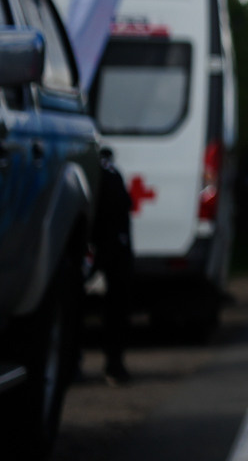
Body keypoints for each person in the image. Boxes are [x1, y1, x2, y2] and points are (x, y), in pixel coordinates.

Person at [93, 146, 134, 384]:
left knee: (116, 303)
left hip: (103, 244)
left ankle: (113, 363)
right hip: (113, 245)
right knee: (117, 303)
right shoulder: (111, 174)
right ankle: (114, 364)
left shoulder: (104, 174)